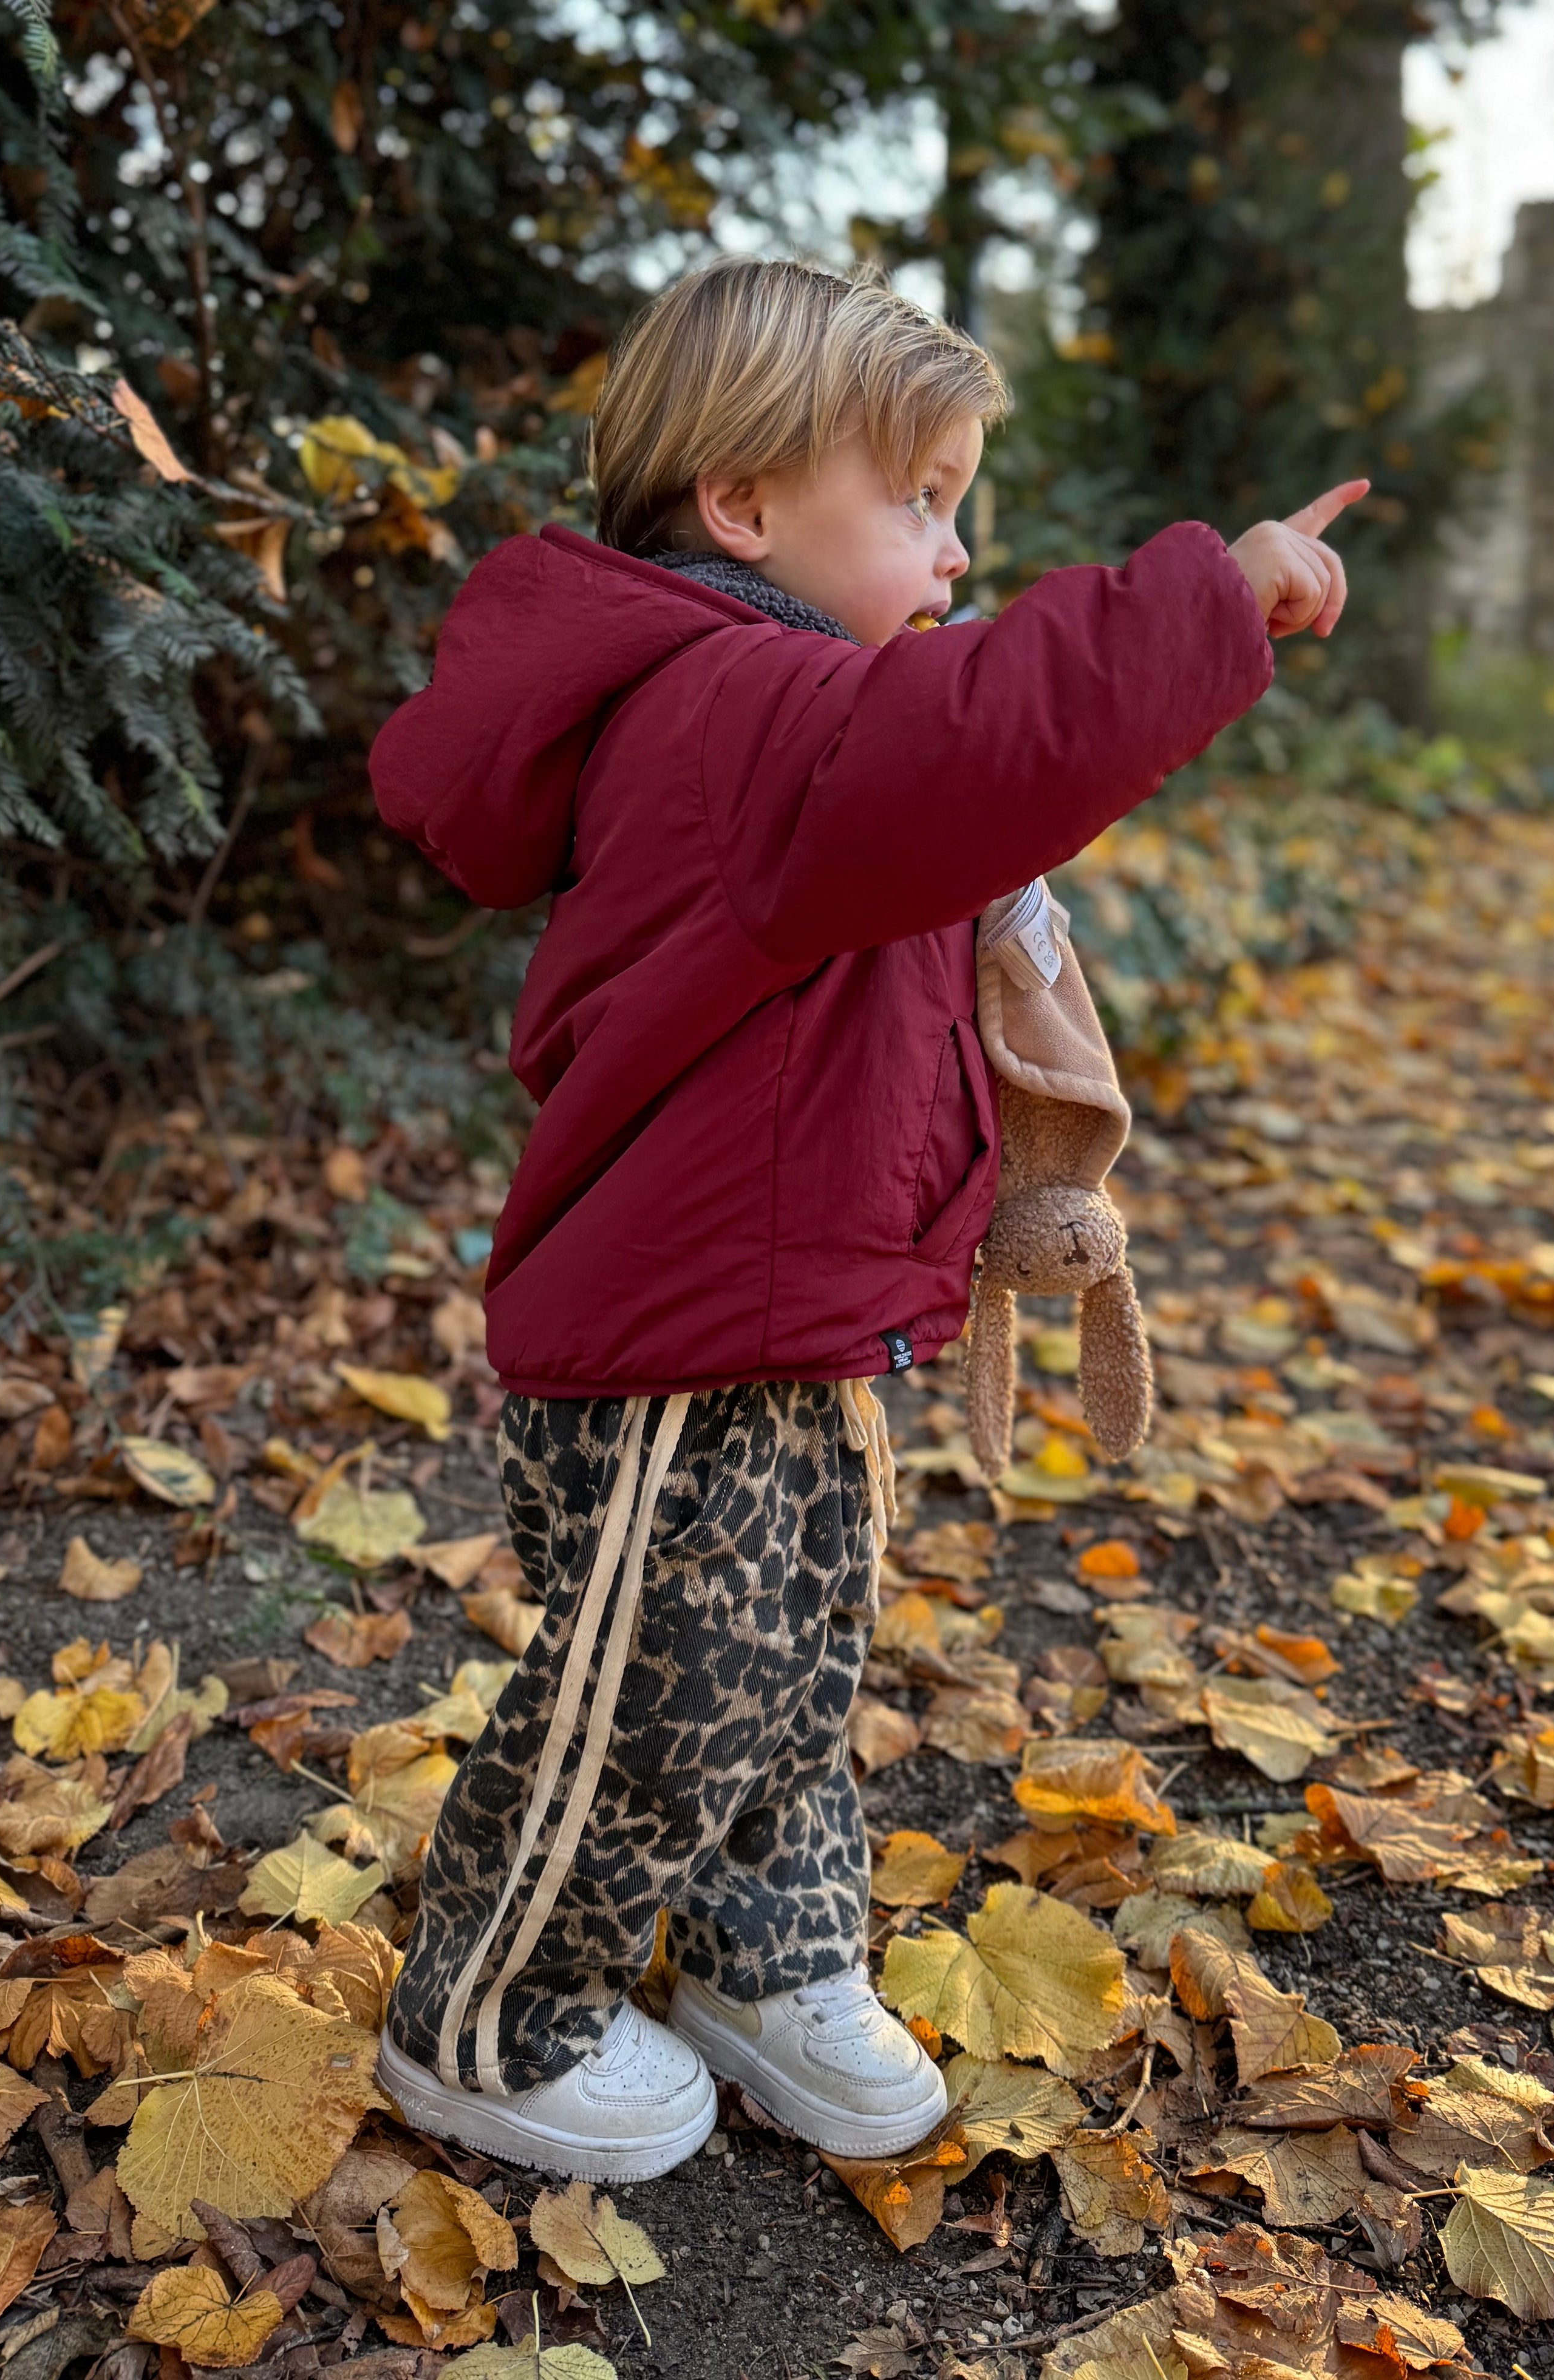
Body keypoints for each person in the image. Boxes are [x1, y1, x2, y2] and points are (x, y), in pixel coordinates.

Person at [366, 255, 1366, 2181]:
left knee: (798, 1662)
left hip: (809, 1311)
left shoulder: (798, 720)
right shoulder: (737, 706)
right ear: (742, 505)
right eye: (916, 499)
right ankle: (491, 2013)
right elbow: (988, 742)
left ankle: (772, 1953)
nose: (958, 544)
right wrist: (1205, 599)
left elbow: (952, 843)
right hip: (676, 1338)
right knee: (659, 1685)